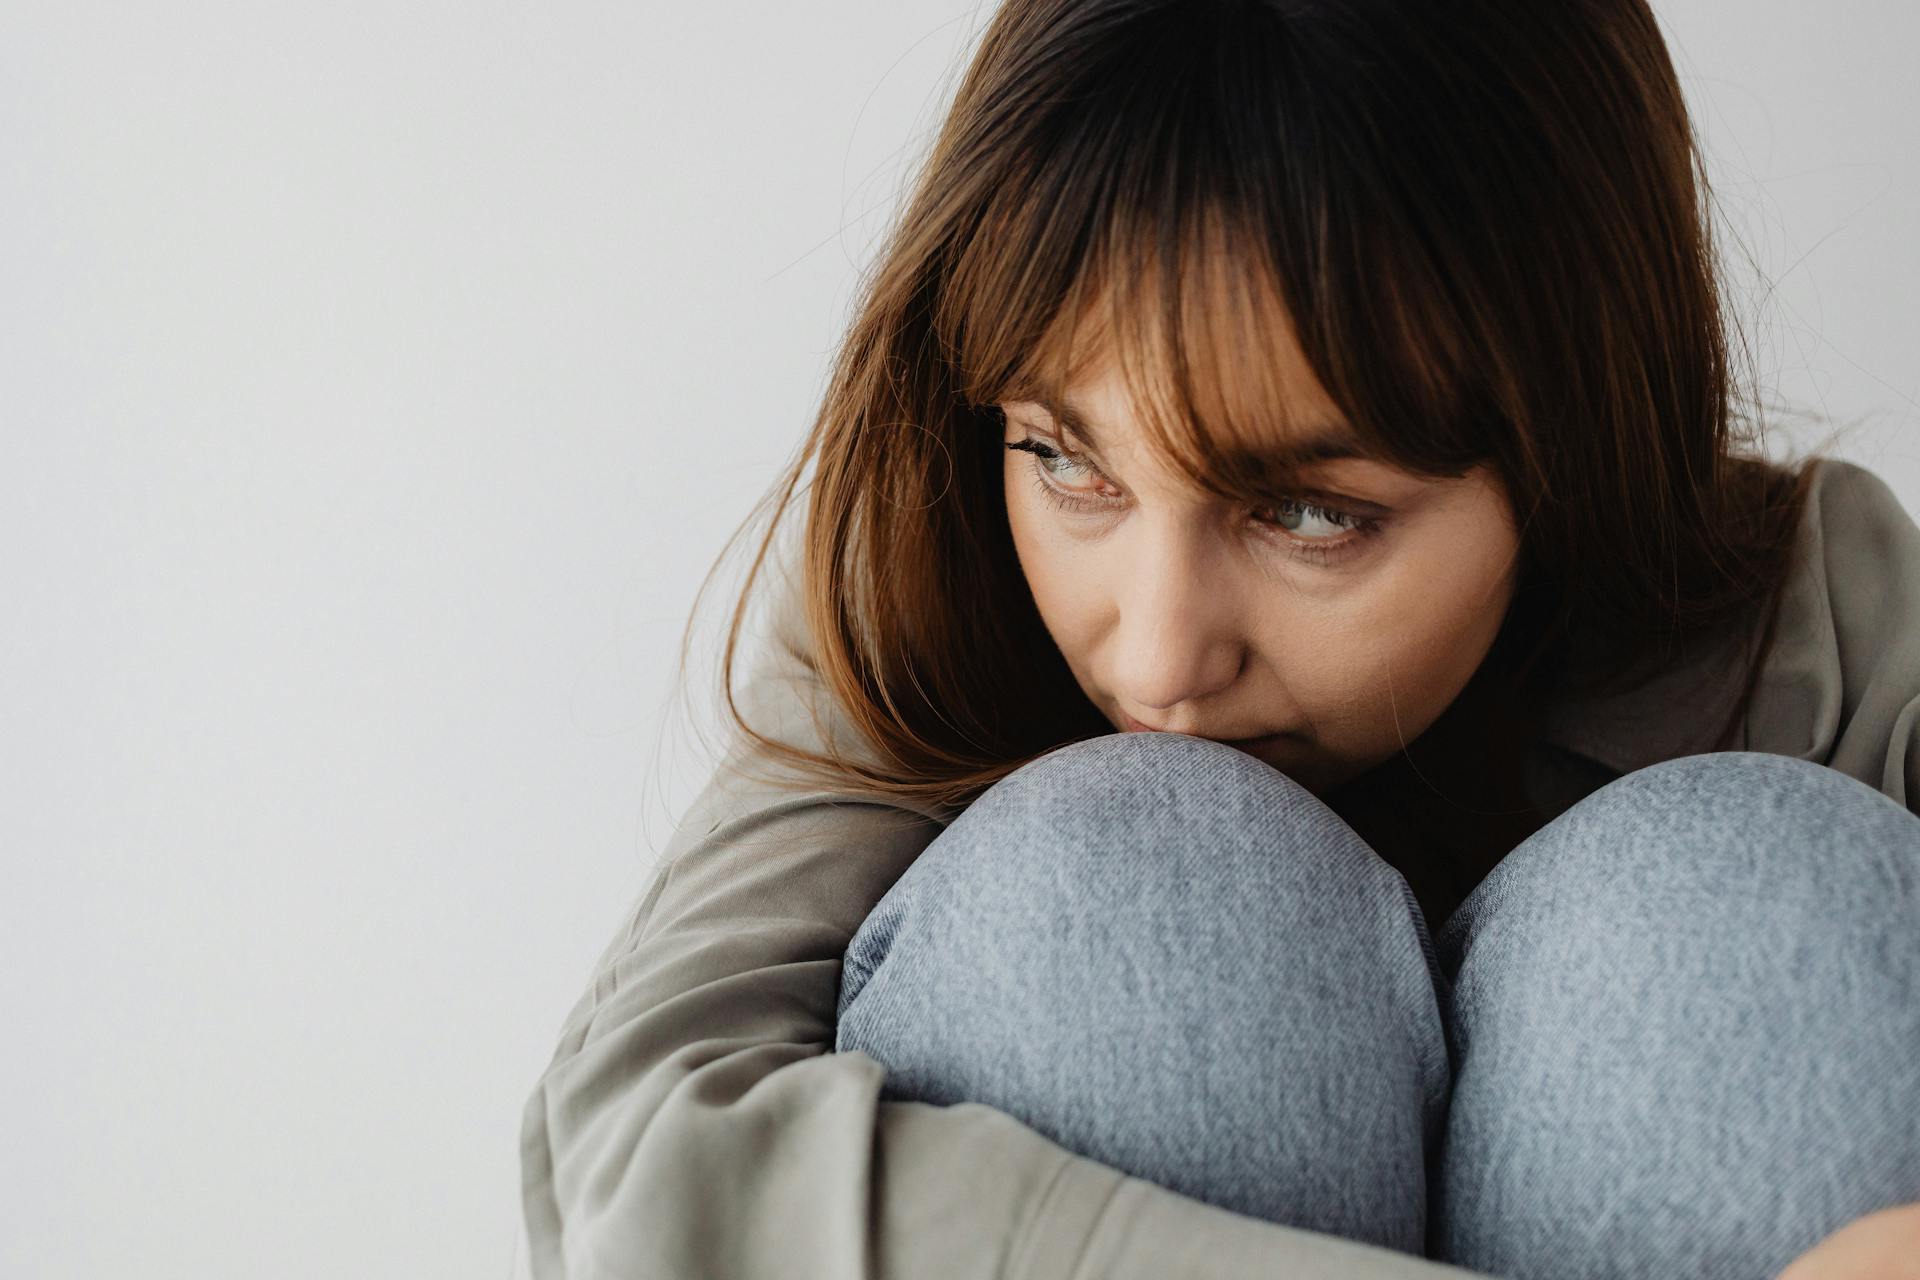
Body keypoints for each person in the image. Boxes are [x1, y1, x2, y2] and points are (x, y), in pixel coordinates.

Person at [519, 1, 1920, 1276]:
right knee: (1134, 879)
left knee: (1739, 888)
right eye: (1068, 462)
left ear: (1573, 445)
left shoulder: (1819, 624)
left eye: (1310, 513)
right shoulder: (926, 583)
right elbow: (647, 1169)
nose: (1155, 661)